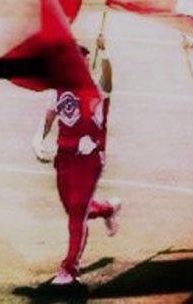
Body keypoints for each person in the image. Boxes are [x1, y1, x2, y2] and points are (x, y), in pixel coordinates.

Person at [31, 35, 121, 285]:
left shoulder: (96, 88)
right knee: (73, 209)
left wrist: (105, 52)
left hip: (90, 158)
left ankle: (69, 269)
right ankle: (107, 208)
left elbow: (108, 78)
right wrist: (38, 139)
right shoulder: (58, 89)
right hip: (64, 157)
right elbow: (49, 118)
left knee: (77, 215)